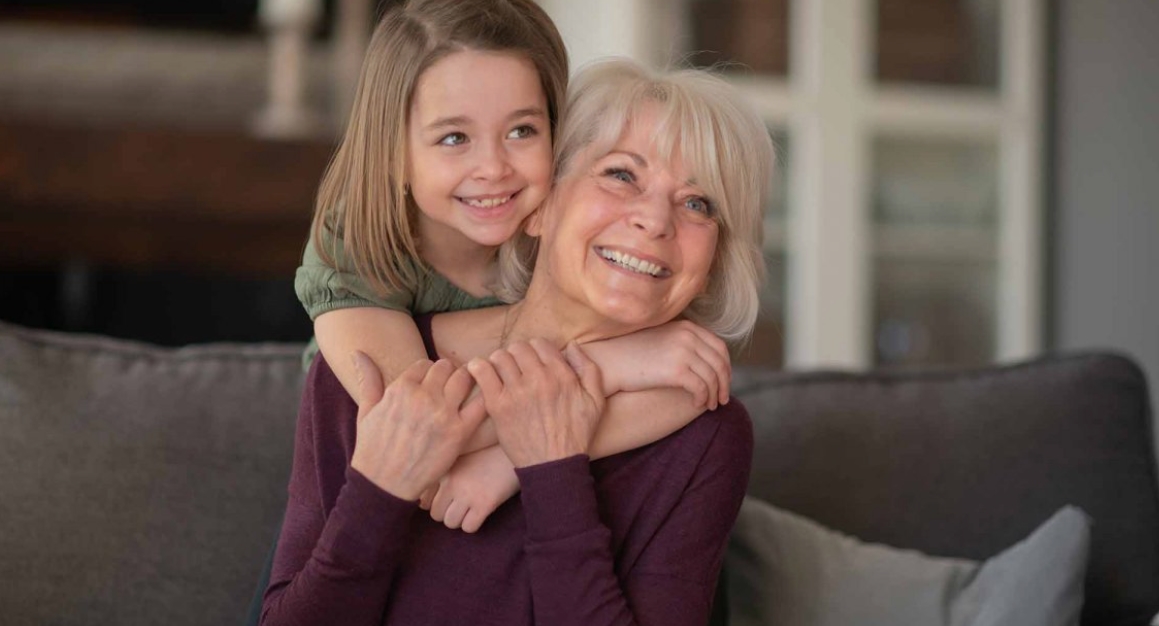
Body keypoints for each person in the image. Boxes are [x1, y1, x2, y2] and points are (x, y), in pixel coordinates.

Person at [261, 57, 774, 626]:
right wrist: (378, 493)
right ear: (541, 205)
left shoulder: (706, 436)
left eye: (698, 203)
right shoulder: (371, 367)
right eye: (621, 175)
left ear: (716, 258)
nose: (656, 221)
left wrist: (551, 467)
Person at [294, 0, 735, 531]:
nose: (493, 168)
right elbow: (419, 426)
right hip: (339, 480)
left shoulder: (551, 225)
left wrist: (505, 465)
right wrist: (613, 365)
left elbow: (688, 386)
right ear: (394, 154)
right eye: (454, 138)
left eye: (522, 131)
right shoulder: (358, 239)